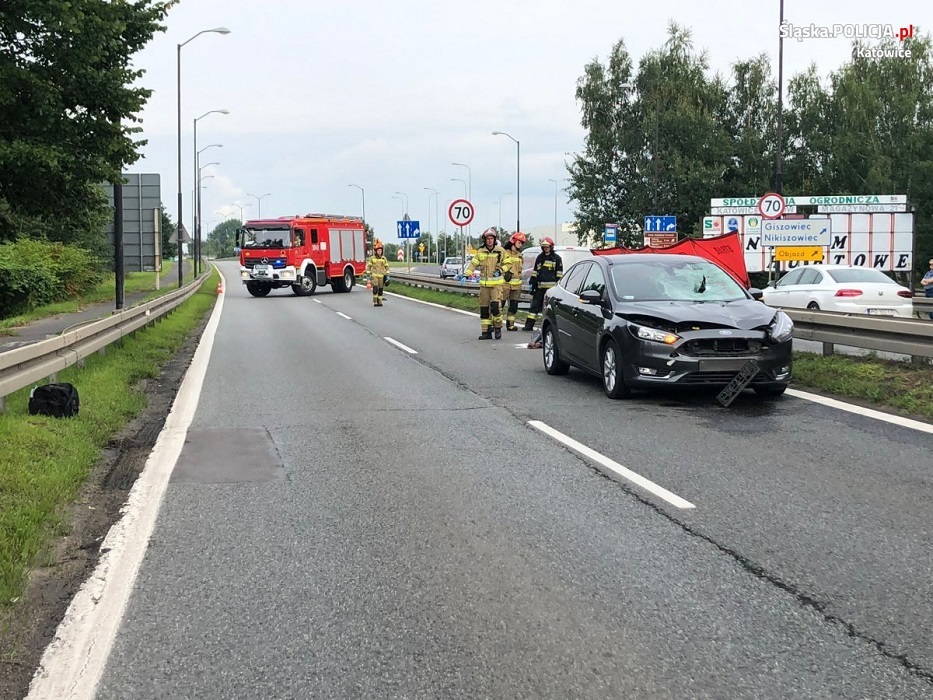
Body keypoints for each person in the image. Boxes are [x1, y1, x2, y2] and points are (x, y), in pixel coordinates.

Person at [461, 227, 505, 339]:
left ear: (494, 239)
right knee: (484, 309)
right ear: (484, 240)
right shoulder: (480, 252)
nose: (489, 241)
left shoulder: (501, 251)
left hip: (496, 285)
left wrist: (500, 270)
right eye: (488, 239)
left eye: (491, 238)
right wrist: (466, 274)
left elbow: (508, 263)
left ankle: (498, 327)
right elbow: (473, 264)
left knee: (495, 307)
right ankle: (486, 332)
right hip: (484, 286)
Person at [523, 237, 563, 331]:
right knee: (534, 307)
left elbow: (559, 275)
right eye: (544, 247)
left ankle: (552, 327)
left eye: (547, 247)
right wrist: (532, 284)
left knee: (550, 309)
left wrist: (558, 288)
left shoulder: (556, 258)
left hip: (551, 290)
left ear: (551, 247)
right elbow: (535, 272)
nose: (546, 248)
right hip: (539, 288)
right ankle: (529, 325)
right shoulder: (540, 257)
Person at [501, 231, 527, 331]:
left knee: (513, 306)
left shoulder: (520, 256)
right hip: (505, 284)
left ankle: (510, 324)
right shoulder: (504, 253)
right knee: (500, 305)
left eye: (521, 243)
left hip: (516, 286)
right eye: (519, 242)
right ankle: (496, 324)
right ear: (513, 241)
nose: (520, 245)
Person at [366, 240, 390, 307]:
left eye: (380, 250)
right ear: (376, 251)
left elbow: (387, 267)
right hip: (374, 276)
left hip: (381, 276)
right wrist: (368, 275)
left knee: (381, 289)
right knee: (375, 289)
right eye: (378, 250)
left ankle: (380, 301)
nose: (380, 252)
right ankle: (375, 302)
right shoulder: (372, 258)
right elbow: (369, 267)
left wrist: (387, 275)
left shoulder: (384, 258)